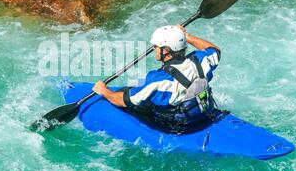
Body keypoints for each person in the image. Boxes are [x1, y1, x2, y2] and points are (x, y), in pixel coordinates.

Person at [92, 25, 221, 132]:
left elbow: (126, 101)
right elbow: (215, 49)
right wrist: (187, 36)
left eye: (155, 46)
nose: (154, 48)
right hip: (203, 114)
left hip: (179, 125)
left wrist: (105, 91)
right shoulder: (201, 60)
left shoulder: (158, 80)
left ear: (165, 50)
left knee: (130, 95)